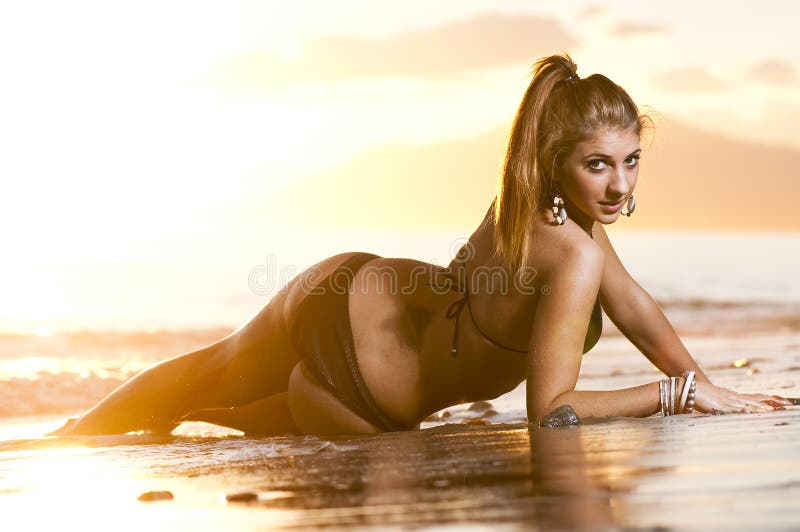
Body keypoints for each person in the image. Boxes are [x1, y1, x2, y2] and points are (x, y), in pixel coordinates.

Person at [48, 53, 793, 438]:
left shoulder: (534, 200)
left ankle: (67, 438)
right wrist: (680, 395)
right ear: (560, 159)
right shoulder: (575, 253)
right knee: (207, 403)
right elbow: (552, 411)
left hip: (345, 284)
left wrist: (710, 385)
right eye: (597, 164)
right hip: (362, 394)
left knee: (196, 383)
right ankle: (71, 442)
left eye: (631, 161)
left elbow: (636, 307)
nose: (618, 185)